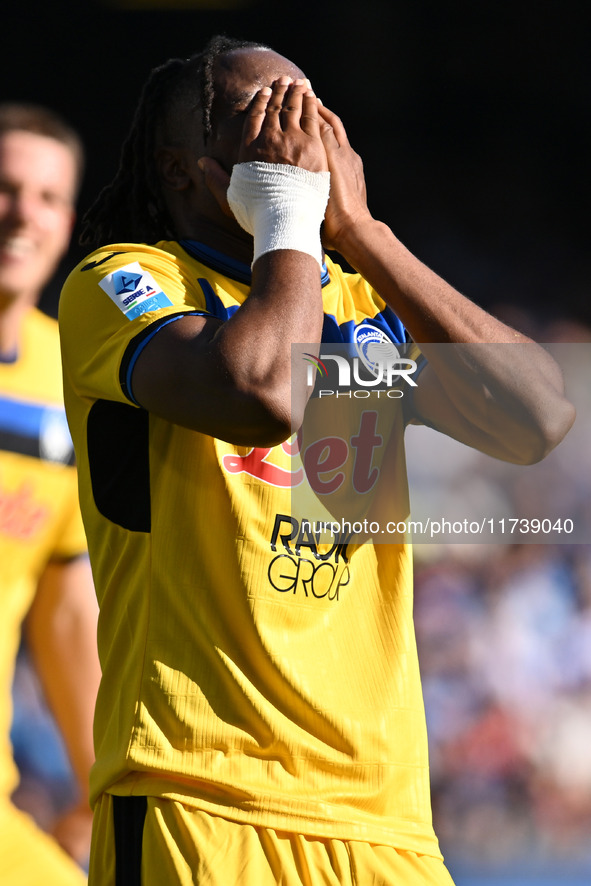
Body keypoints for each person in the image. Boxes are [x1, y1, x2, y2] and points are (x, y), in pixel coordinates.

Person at [58, 36, 575, 886]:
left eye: (315, 113)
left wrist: (364, 232)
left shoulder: (362, 302)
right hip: (201, 795)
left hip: (385, 821)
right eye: (267, 119)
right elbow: (259, 391)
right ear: (180, 168)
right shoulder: (125, 280)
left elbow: (540, 416)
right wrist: (291, 212)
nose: (303, 138)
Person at [0, 103, 101, 884]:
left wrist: (101, 786)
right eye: (3, 188)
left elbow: (66, 609)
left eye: (46, 197)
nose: (20, 216)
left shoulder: (72, 377)